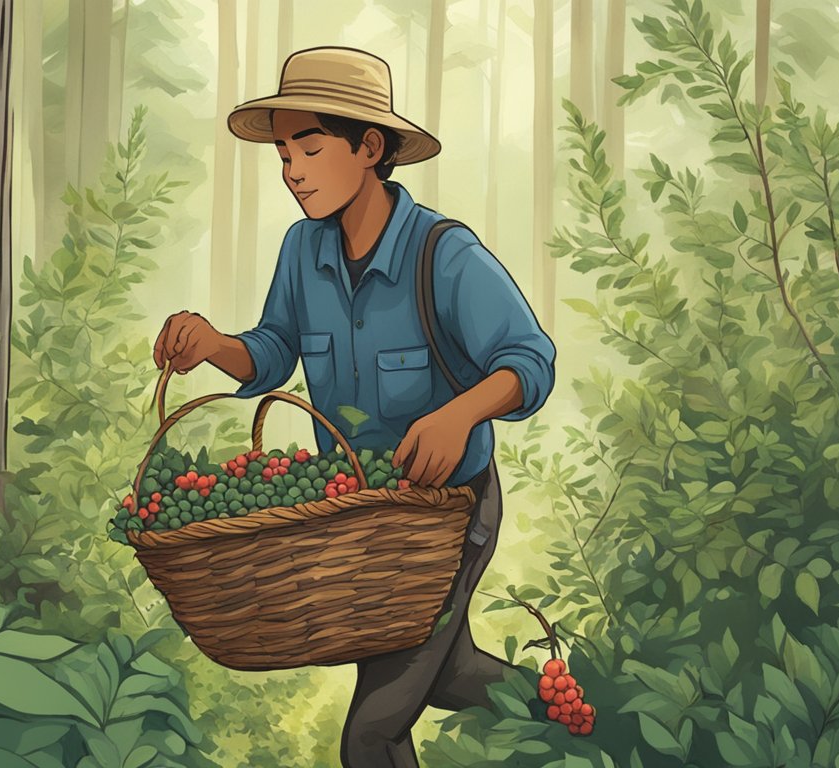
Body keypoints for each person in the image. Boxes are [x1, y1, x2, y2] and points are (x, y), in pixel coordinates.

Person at [153, 46, 557, 768]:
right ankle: (576, 712)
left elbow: (530, 361)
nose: (291, 170)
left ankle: (572, 715)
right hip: (367, 523)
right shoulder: (302, 251)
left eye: (309, 146)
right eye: (282, 153)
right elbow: (275, 350)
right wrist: (216, 344)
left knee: (371, 733)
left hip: (446, 515)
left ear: (370, 147)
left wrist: (459, 413)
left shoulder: (444, 253)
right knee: (454, 674)